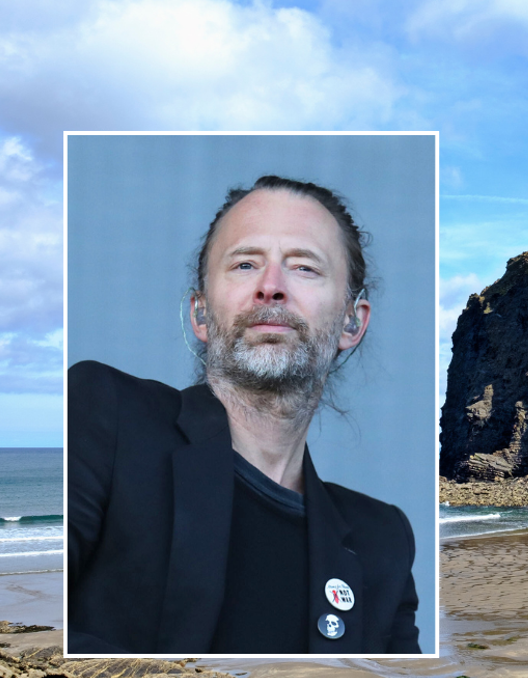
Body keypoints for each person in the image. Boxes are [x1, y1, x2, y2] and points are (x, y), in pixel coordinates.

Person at [67, 175, 421, 655]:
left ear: (351, 321)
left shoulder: (383, 539)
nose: (270, 287)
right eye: (245, 264)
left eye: (304, 268)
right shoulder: (103, 414)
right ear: (201, 314)